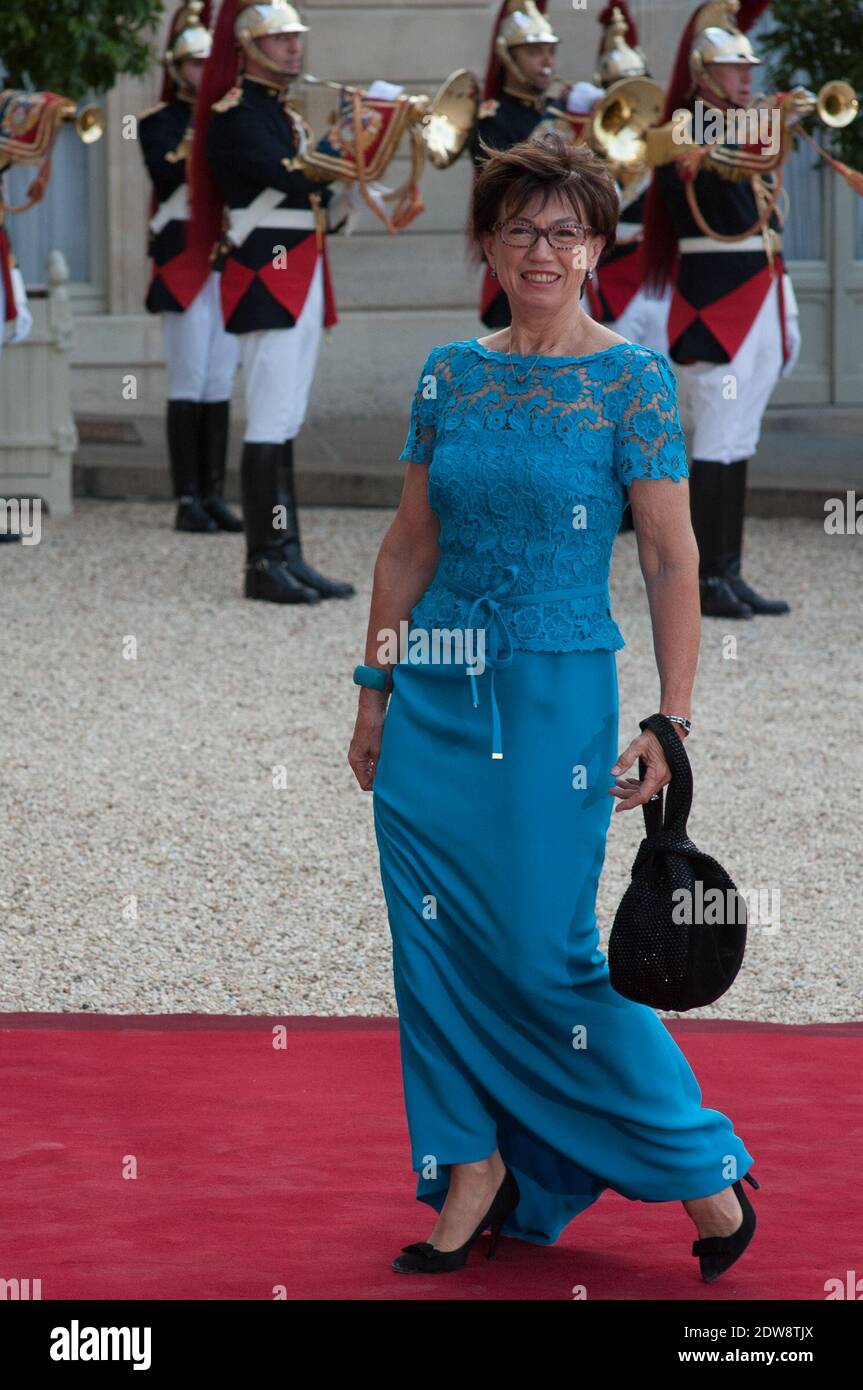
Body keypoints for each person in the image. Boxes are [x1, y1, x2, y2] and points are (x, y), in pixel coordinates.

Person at [348, 132, 760, 1281]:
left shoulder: (628, 377)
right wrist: (374, 687)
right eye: (519, 227)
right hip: (429, 696)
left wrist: (669, 719)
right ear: (485, 242)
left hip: (551, 701)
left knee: (545, 959)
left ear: (595, 248)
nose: (541, 247)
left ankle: (700, 1167)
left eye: (565, 228)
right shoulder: (448, 373)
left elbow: (673, 560)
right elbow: (408, 541)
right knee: (428, 949)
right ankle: (467, 1163)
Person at [190, 0, 354, 602]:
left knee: (285, 422)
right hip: (266, 279)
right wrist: (350, 149)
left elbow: (310, 199)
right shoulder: (235, 116)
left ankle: (289, 552)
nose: (293, 48)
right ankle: (261, 563)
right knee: (266, 422)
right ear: (251, 47)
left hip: (300, 274)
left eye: (296, 38)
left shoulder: (284, 116)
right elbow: (291, 177)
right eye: (280, 39)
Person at [643, 0, 800, 618]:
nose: (747, 78)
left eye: (748, 69)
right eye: (735, 70)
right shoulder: (686, 127)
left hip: (758, 290)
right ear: (706, 74)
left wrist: (776, 118)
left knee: (740, 437)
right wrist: (775, 119)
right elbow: (710, 149)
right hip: (716, 301)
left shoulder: (738, 125)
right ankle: (702, 578)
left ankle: (729, 571)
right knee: (714, 435)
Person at [139, 1, 243, 535]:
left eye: (209, 64)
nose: (203, 73)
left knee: (220, 379)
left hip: (222, 259)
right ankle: (186, 497)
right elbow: (164, 171)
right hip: (182, 261)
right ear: (177, 69)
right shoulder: (159, 123)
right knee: (187, 379)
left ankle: (213, 494)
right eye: (194, 65)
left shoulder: (228, 118)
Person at [468, 1, 603, 328]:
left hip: (567, 252)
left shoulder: (560, 109)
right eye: (533, 52)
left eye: (550, 52)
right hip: (521, 251)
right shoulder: (492, 116)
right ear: (507, 57)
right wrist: (556, 116)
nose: (547, 62)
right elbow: (512, 178)